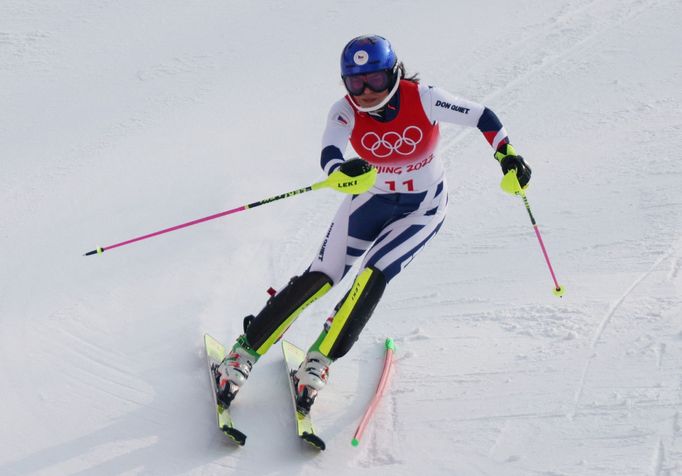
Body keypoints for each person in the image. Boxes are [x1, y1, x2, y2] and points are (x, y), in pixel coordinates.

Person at [213, 35, 531, 413]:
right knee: (321, 276)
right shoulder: (344, 110)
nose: (365, 92)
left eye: (375, 80)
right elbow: (330, 150)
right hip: (370, 202)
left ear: (394, 74)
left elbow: (484, 117)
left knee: (372, 277)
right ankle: (242, 354)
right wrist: (339, 170)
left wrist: (507, 155)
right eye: (355, 83)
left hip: (421, 210)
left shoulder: (424, 97)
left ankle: (319, 360)